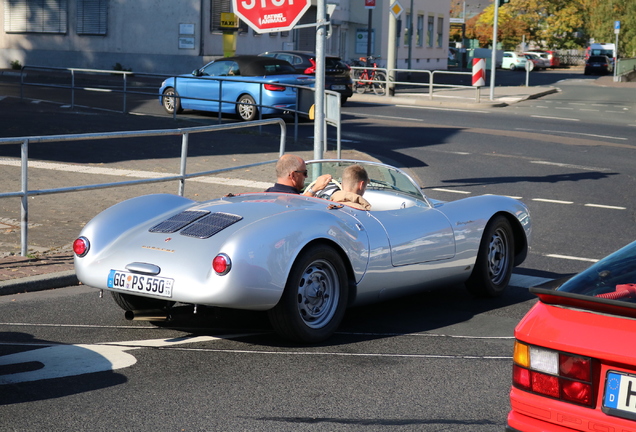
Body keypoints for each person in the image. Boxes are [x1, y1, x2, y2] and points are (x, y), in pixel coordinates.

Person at [265, 154, 332, 196]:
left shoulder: (266, 193)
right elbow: (294, 203)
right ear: (293, 175)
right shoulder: (291, 198)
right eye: (304, 173)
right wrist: (314, 190)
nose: (306, 176)